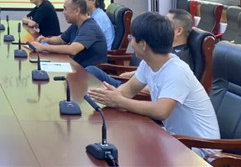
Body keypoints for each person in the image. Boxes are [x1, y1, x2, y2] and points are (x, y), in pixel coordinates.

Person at [88, 11, 219, 158]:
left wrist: (119, 101)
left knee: (132, 152)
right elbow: (128, 90)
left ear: (143, 45)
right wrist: (110, 95)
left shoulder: (176, 71)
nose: (131, 43)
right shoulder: (148, 63)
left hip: (202, 150)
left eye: (132, 38)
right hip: (177, 140)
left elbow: (161, 111)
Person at [86, 8, 194, 87]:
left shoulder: (179, 61)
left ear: (179, 31)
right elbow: (148, 71)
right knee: (91, 72)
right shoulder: (163, 51)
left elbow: (154, 92)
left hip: (140, 96)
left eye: (167, 23)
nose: (162, 25)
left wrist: (115, 97)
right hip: (132, 87)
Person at [29, 0, 107, 68]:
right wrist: (46, 40)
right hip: (77, 67)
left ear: (77, 11)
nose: (63, 12)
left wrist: (43, 47)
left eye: (65, 9)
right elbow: (61, 39)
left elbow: (73, 50)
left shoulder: (90, 27)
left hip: (89, 73)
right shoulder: (76, 24)